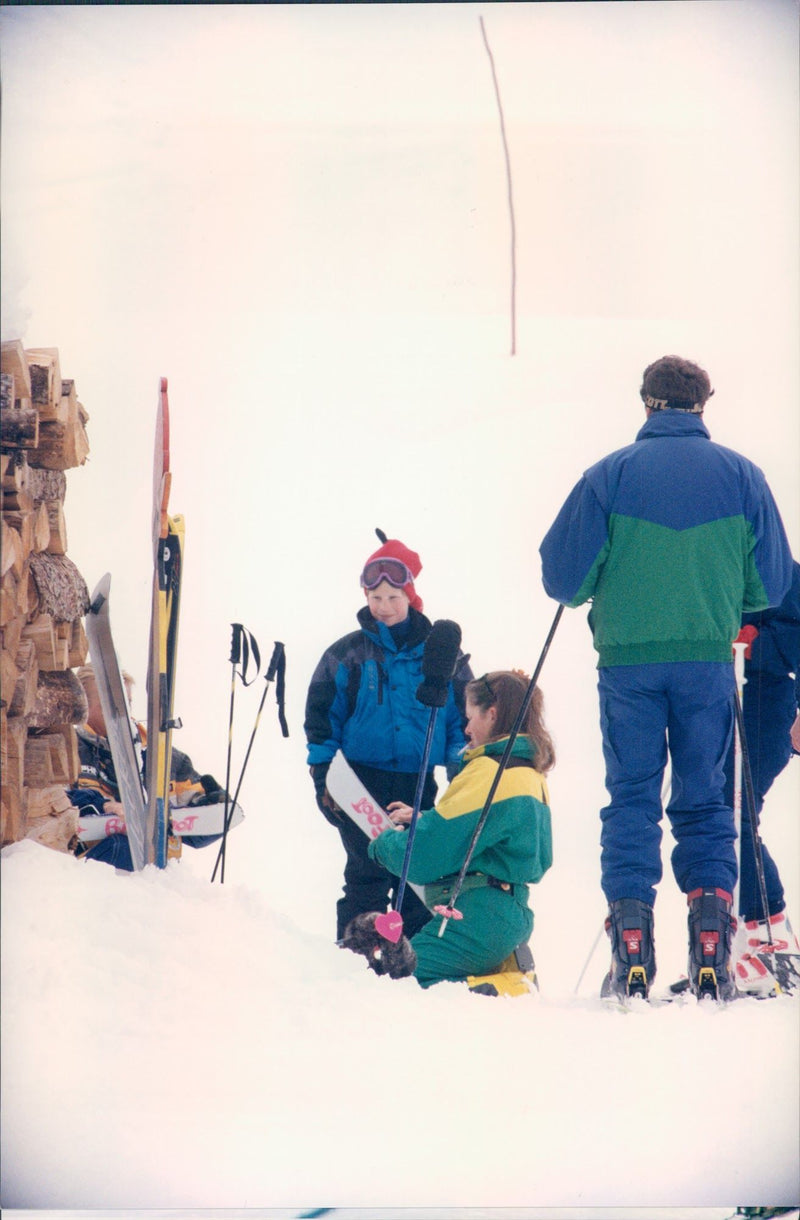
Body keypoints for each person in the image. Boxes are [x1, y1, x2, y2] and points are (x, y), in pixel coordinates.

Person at [539, 354, 793, 1002]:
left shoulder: (609, 476)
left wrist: (606, 581)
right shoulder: (742, 476)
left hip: (627, 663)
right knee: (707, 801)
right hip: (708, 661)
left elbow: (562, 580)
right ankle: (711, 928)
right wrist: (726, 603)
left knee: (631, 797)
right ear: (704, 403)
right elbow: (773, 582)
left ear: (646, 403)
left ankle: (630, 935)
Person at [304, 530, 473, 941]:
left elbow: (461, 718)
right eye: (374, 598)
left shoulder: (439, 653)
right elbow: (323, 718)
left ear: (411, 596)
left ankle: (414, 958)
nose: (383, 608)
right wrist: (324, 775)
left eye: (393, 599)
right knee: (366, 872)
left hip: (418, 782)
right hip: (360, 781)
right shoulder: (348, 654)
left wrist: (461, 776)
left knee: (418, 874)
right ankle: (355, 953)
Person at [358, 670, 554, 990]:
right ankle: (499, 976)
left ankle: (506, 988)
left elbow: (424, 856)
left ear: (491, 714)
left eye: (470, 716)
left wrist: (383, 843)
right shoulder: (526, 771)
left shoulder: (490, 771)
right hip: (506, 912)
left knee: (393, 984)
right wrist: (427, 820)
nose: (466, 728)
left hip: (477, 916)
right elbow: (488, 833)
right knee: (422, 981)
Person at [69, 665, 226, 869]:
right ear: (83, 707)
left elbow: (198, 833)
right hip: (95, 880)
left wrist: (214, 805)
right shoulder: (69, 751)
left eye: (127, 703)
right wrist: (103, 807)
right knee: (121, 847)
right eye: (110, 705)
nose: (122, 713)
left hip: (155, 882)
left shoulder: (165, 758)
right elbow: (54, 808)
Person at [728, 560, 800, 995]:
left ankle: (769, 938)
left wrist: (755, 644)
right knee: (717, 813)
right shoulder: (712, 555)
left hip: (766, 705)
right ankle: (730, 943)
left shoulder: (779, 567)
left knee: (735, 810)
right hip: (719, 700)